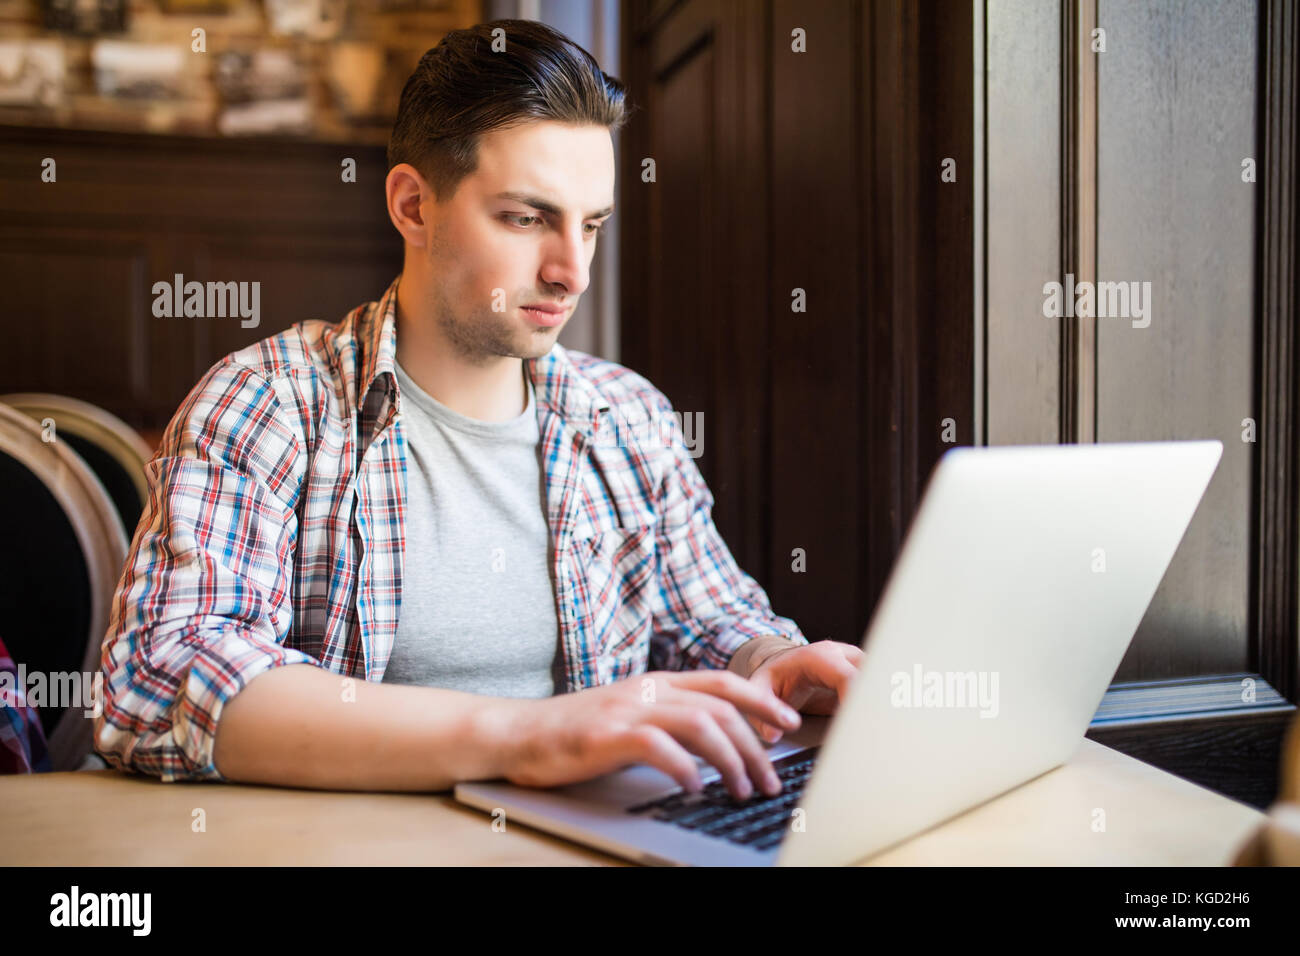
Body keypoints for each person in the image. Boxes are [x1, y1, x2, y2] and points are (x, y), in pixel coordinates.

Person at [95, 19, 862, 803]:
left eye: (590, 225)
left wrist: (772, 661)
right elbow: (161, 676)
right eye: (527, 219)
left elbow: (709, 619)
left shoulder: (628, 416)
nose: (572, 273)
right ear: (413, 206)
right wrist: (523, 736)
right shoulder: (269, 403)